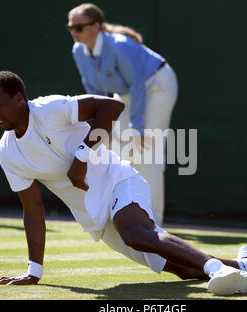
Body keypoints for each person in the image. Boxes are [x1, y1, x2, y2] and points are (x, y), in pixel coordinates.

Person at [0, 71, 247, 296]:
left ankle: (217, 269)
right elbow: (33, 208)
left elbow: (111, 107)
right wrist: (34, 272)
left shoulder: (50, 108)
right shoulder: (7, 152)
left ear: (20, 98)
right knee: (184, 270)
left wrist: (81, 158)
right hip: (97, 218)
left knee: (139, 233)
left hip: (120, 181)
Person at [67, 3, 179, 226]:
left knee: (148, 151)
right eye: (70, 27)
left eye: (78, 27)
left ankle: (153, 221)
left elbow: (138, 85)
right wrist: (102, 128)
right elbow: (96, 92)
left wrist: (138, 128)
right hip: (128, 93)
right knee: (118, 150)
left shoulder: (118, 46)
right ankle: (127, 212)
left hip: (157, 85)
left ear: (95, 26)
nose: (74, 32)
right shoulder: (78, 51)